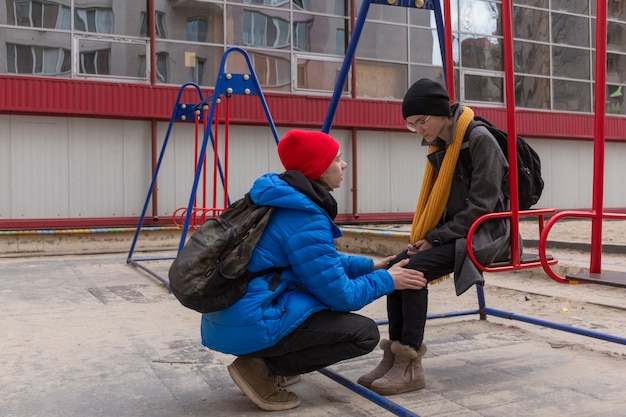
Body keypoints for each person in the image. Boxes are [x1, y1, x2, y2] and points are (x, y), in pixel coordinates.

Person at [200, 129, 427, 411]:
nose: (343, 165)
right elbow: (342, 296)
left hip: (231, 317)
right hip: (250, 322)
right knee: (364, 333)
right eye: (337, 159)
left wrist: (371, 265)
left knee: (314, 299)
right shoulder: (306, 217)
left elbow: (319, 263)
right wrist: (387, 280)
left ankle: (269, 362)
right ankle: (261, 368)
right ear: (317, 169)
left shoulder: (279, 201)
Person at [357, 78, 513, 395]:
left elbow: (482, 207)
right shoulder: (443, 143)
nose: (418, 130)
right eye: (411, 125)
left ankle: (410, 365)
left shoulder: (479, 139)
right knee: (397, 269)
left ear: (441, 113)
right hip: (457, 231)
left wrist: (436, 238)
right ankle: (394, 357)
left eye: (421, 121)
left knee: (413, 271)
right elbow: (443, 203)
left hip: (487, 232)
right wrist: (431, 236)